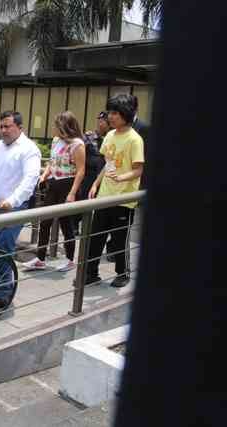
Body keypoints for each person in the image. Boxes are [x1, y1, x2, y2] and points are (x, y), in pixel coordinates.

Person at [0, 111, 41, 311]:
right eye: (1, 126)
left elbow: (30, 180)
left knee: (2, 248)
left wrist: (12, 201)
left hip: (15, 207)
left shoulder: (29, 149)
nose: (3, 130)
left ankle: (2, 295)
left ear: (20, 128)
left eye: (8, 126)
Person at [85, 93, 144, 288]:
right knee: (96, 237)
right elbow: (107, 164)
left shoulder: (134, 139)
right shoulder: (110, 135)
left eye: (115, 113)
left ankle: (123, 273)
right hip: (105, 196)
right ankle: (90, 273)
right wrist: (95, 184)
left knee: (120, 240)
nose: (110, 116)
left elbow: (138, 169)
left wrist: (122, 177)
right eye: (110, 112)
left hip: (123, 199)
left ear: (126, 114)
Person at [22, 111, 86, 272]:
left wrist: (72, 193)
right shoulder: (56, 141)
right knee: (45, 221)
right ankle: (40, 258)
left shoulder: (77, 144)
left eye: (56, 125)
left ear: (65, 127)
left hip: (68, 184)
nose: (53, 128)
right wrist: (44, 175)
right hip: (54, 183)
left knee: (66, 223)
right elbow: (52, 163)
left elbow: (81, 171)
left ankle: (70, 260)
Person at [72, 111, 107, 235]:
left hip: (103, 176)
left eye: (104, 121)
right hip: (89, 175)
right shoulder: (89, 136)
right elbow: (79, 151)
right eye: (99, 121)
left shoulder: (111, 138)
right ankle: (75, 225)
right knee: (83, 201)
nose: (101, 124)